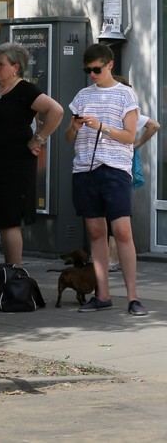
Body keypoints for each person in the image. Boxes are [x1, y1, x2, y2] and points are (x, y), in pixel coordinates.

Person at [67, 44, 146, 316]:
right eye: (88, 70)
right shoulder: (82, 96)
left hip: (115, 169)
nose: (92, 74)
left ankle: (133, 298)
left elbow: (129, 137)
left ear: (110, 65)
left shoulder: (126, 94)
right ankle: (102, 295)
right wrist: (74, 127)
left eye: (96, 69)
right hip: (85, 170)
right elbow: (68, 139)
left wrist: (101, 126)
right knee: (96, 233)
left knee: (122, 231)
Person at [0, 42, 63, 266]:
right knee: (2, 221)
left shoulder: (25, 89)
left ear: (16, 67)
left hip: (13, 166)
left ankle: (15, 274)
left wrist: (39, 138)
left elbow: (56, 110)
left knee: (9, 220)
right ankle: (9, 270)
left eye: (1, 64)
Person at [107, 76, 160, 272]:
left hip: (117, 166)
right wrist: (136, 145)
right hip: (121, 167)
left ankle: (113, 258)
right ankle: (113, 257)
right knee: (117, 213)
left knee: (114, 215)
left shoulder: (124, 112)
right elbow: (154, 125)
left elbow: (155, 125)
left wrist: (135, 144)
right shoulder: (130, 113)